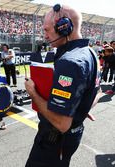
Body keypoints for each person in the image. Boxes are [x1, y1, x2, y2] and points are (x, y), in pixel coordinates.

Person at [24, 4, 101, 167]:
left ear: (64, 27)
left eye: (46, 30)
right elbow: (97, 91)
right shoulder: (90, 52)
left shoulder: (69, 62)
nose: (45, 36)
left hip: (54, 140)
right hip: (71, 136)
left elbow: (61, 123)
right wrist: (79, 107)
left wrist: (33, 93)